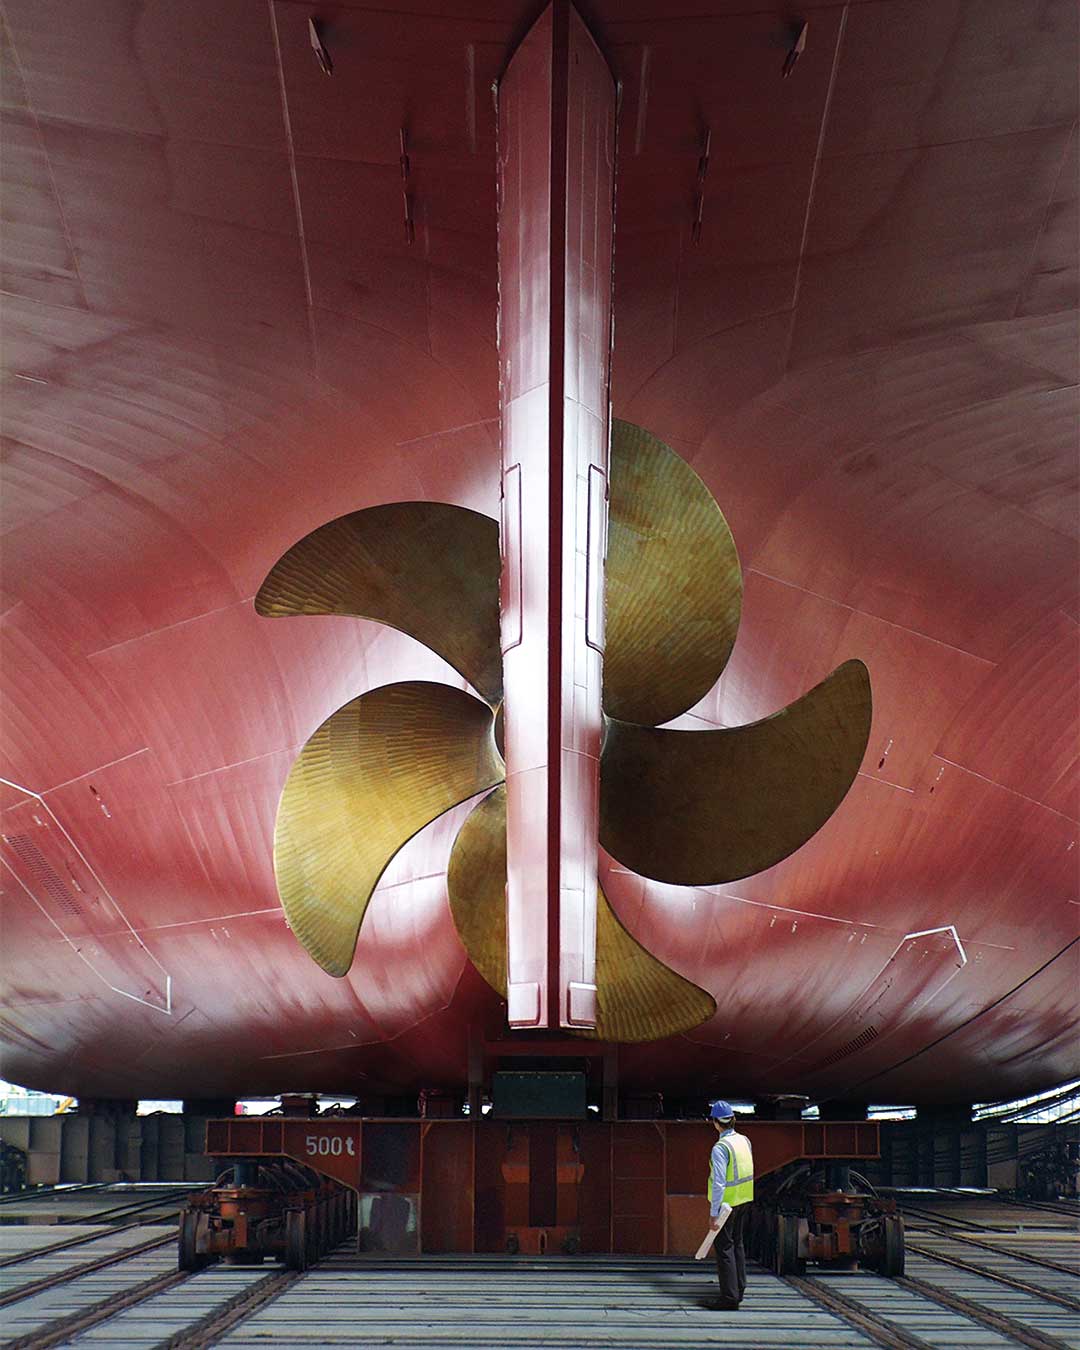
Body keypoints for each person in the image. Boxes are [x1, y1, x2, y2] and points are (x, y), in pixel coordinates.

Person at [707, 1099, 754, 1310]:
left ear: (716, 1122)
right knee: (737, 1244)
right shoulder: (744, 1140)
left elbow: (719, 1182)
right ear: (733, 1120)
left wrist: (714, 1212)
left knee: (724, 1247)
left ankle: (729, 1299)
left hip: (727, 1204)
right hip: (744, 1199)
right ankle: (739, 1289)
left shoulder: (720, 1148)